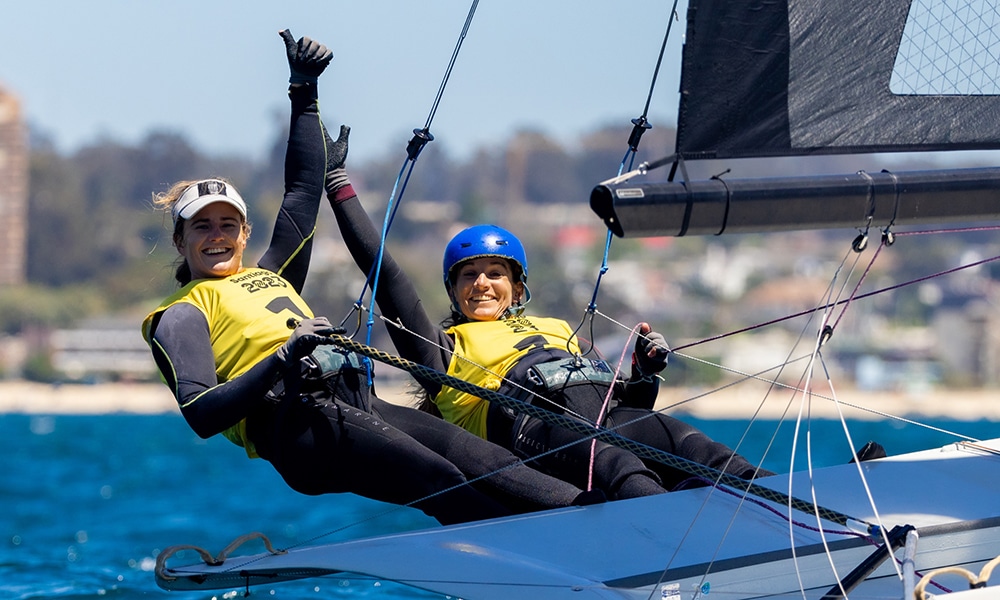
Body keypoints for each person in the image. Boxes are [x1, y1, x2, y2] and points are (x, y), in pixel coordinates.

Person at [141, 30, 599, 527]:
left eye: (227, 224)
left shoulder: (272, 274)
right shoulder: (182, 314)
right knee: (439, 476)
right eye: (202, 227)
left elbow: (300, 192)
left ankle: (595, 518)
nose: (217, 236)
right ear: (179, 240)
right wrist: (282, 357)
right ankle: (548, 549)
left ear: (244, 232)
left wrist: (304, 92)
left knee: (480, 459)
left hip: (358, 402)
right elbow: (203, 414)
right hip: (299, 426)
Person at [326, 141, 772, 496]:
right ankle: (667, 532)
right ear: (453, 290)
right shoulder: (445, 349)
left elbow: (621, 408)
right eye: (468, 275)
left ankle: (789, 505)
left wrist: (643, 373)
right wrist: (337, 184)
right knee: (620, 466)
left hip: (602, 420)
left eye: (495, 273)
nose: (481, 283)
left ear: (517, 288)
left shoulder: (557, 329)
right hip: (535, 432)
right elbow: (388, 278)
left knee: (692, 445)